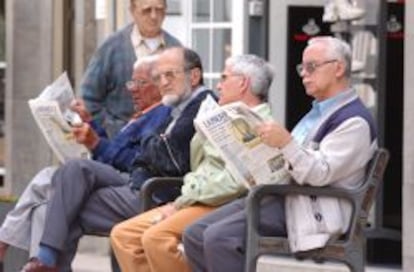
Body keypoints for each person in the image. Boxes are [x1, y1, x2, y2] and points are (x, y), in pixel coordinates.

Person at [182, 36, 378, 272]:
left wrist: (285, 143)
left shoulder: (354, 121)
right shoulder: (319, 112)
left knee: (219, 238)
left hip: (311, 208)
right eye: (302, 67)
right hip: (284, 196)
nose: (304, 74)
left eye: (311, 67)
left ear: (338, 68)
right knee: (194, 234)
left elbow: (320, 173)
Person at [21, 47, 214, 272]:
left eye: (169, 75)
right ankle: (46, 260)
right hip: (138, 181)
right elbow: (147, 151)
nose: (163, 83)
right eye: (159, 77)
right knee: (64, 197)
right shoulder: (173, 107)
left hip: (156, 191)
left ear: (194, 76)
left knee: (68, 191)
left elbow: (166, 156)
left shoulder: (193, 107)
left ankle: (41, 258)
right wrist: (97, 130)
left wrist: (128, 146)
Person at [109, 54, 287, 272]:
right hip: (198, 198)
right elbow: (201, 166)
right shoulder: (225, 117)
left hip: (220, 204)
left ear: (242, 83)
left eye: (224, 77)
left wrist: (181, 202)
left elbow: (234, 184)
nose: (218, 85)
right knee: (124, 235)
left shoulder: (258, 126)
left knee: (157, 237)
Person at [0, 55, 170, 271]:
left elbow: (136, 160)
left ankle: (10, 243)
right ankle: (43, 262)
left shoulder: (161, 114)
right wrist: (90, 123)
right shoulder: (140, 115)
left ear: (160, 85)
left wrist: (97, 143)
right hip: (113, 176)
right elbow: (114, 149)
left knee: (69, 171)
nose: (132, 89)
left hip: (132, 182)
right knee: (47, 205)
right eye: (131, 82)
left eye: (141, 83)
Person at [81, 0, 181, 137]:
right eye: (147, 10)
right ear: (133, 11)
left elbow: (185, 98)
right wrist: (112, 130)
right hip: (118, 143)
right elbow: (89, 98)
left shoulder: (176, 50)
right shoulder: (111, 48)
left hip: (161, 144)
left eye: (159, 10)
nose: (153, 16)